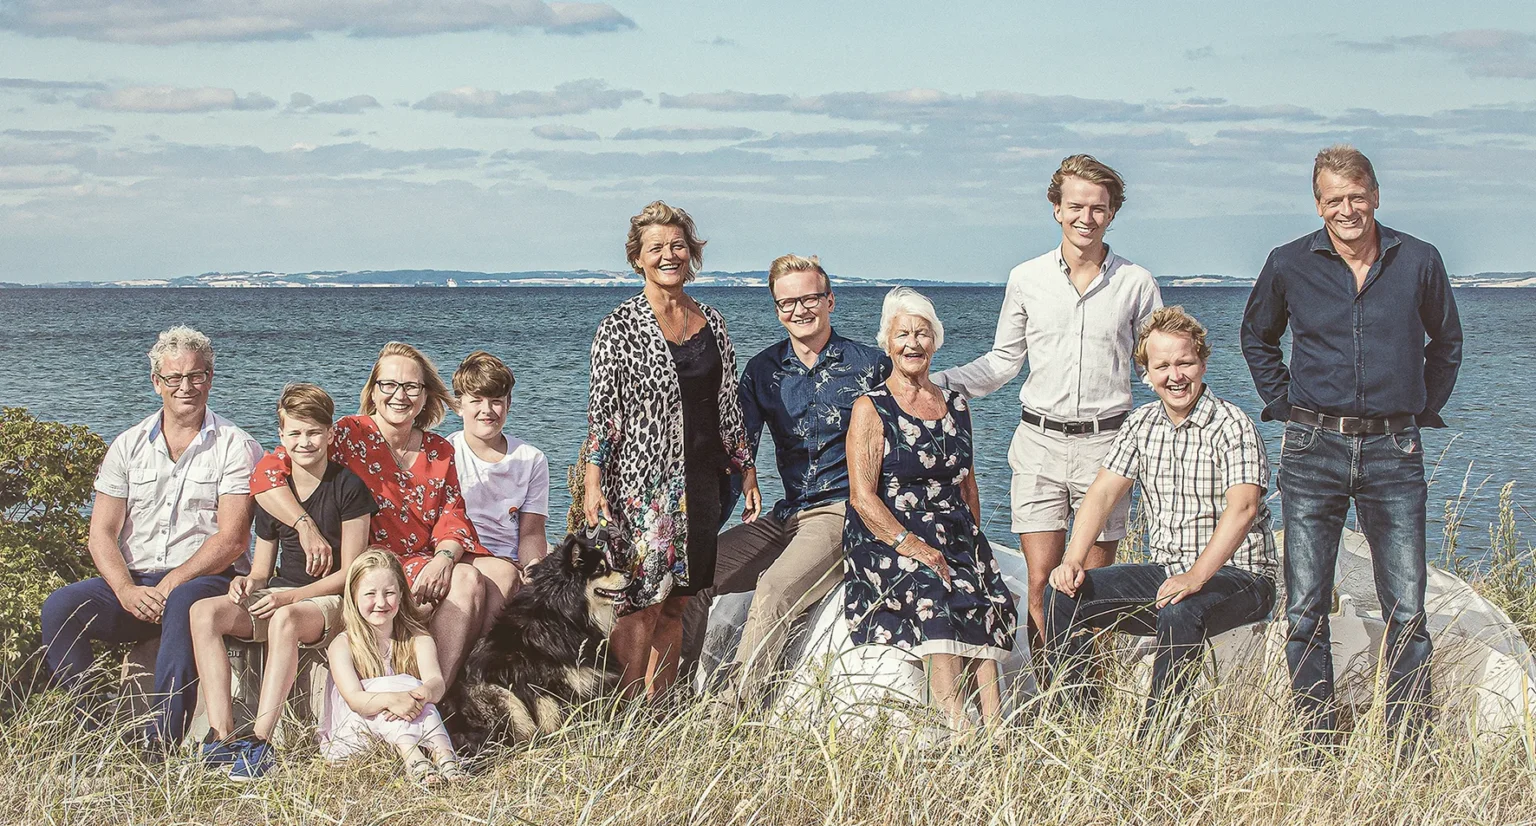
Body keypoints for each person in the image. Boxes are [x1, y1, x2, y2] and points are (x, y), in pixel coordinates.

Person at [1240, 144, 1462, 745]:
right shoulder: (1288, 263)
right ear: (1318, 204)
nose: (1347, 209)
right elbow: (1257, 337)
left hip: (1396, 451)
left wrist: (1420, 407)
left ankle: (1409, 743)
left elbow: (1446, 344)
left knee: (1408, 610)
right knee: (1305, 608)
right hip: (1313, 450)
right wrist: (1287, 405)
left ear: (1376, 196)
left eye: (1356, 196)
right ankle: (1317, 741)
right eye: (1333, 199)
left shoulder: (1418, 259)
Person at [934, 154, 1162, 648]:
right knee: (1040, 584)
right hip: (1037, 445)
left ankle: (1091, 705)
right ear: (1056, 208)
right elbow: (1002, 362)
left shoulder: (1136, 283)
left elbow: (1156, 366)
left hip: (1109, 451)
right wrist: (932, 383)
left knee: (1092, 591)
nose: (1086, 217)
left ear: (1112, 213)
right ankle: (1048, 702)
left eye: (1098, 208)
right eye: (1075, 205)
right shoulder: (1027, 278)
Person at [1045, 307, 1278, 741]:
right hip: (1168, 573)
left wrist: (1196, 576)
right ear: (1146, 373)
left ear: (1203, 362)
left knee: (1181, 607)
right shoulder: (1142, 424)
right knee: (1062, 594)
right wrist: (1073, 560)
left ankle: (1155, 743)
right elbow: (1101, 494)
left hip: (1242, 579)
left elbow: (1243, 508)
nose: (1175, 375)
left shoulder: (1232, 425)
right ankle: (1076, 725)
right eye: (1162, 365)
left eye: (1184, 362)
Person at [40, 326, 262, 750]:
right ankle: (90, 730)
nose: (186, 387)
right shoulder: (127, 445)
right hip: (135, 584)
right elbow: (101, 534)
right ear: (157, 383)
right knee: (60, 606)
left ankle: (159, 744)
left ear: (210, 379)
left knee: (182, 601)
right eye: (175, 378)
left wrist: (172, 582)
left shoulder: (235, 445)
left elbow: (232, 539)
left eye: (196, 376)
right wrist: (124, 589)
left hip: (205, 578)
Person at [680, 254, 888, 704]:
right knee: (693, 578)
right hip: (788, 511)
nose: (799, 310)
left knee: (774, 587)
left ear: (830, 300)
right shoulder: (763, 371)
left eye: (810, 298)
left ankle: (734, 708)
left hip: (844, 511)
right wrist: (703, 523)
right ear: (776, 309)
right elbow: (738, 448)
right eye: (787, 302)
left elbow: (908, 441)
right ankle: (673, 698)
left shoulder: (871, 366)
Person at [583, 200, 758, 700]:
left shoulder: (712, 322)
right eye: (656, 247)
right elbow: (603, 413)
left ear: (693, 253)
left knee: (680, 600)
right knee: (640, 604)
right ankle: (619, 713)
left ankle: (657, 716)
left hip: (705, 483)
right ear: (637, 258)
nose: (668, 255)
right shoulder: (619, 326)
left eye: (678, 245)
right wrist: (594, 481)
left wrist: (746, 469)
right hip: (642, 488)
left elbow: (727, 404)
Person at [249, 342, 491, 687]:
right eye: (389, 385)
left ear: (425, 396)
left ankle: (462, 688)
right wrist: (303, 524)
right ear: (373, 392)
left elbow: (452, 515)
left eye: (411, 387)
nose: (400, 395)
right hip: (372, 560)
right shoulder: (348, 434)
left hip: (424, 557)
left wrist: (444, 558)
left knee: (501, 576)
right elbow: (266, 473)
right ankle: (432, 697)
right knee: (469, 581)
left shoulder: (439, 449)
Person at [843, 287, 1018, 730]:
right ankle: (956, 724)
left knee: (981, 594)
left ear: (936, 342)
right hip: (891, 533)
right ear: (888, 343)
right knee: (933, 590)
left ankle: (995, 729)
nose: (913, 344)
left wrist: (974, 546)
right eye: (903, 335)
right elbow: (862, 497)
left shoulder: (956, 404)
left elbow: (968, 482)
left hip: (953, 526)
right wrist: (912, 545)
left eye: (922, 334)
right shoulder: (871, 407)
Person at [189, 383, 376, 779]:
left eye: (312, 432)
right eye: (294, 433)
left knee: (285, 619)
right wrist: (248, 584)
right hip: (281, 592)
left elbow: (352, 571)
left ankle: (260, 742)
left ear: (329, 434)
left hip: (330, 599)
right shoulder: (275, 494)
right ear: (281, 436)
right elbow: (262, 568)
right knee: (205, 612)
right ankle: (220, 737)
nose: (304, 441)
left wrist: (290, 596)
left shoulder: (349, 487)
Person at [319, 549, 465, 786]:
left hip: (409, 717)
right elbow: (356, 700)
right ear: (354, 596)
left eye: (389, 593)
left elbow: (436, 683)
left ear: (401, 594)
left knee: (416, 689)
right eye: (370, 594)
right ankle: (414, 759)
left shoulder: (418, 639)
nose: (380, 603)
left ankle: (445, 758)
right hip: (355, 732)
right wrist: (393, 699)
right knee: (400, 684)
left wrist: (421, 694)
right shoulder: (343, 644)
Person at [447, 350, 550, 635]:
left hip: (509, 554)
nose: (487, 410)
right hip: (462, 552)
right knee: (503, 577)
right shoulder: (445, 453)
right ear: (459, 405)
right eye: (476, 401)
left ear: (509, 404)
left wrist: (532, 568)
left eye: (496, 401)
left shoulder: (531, 459)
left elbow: (531, 531)